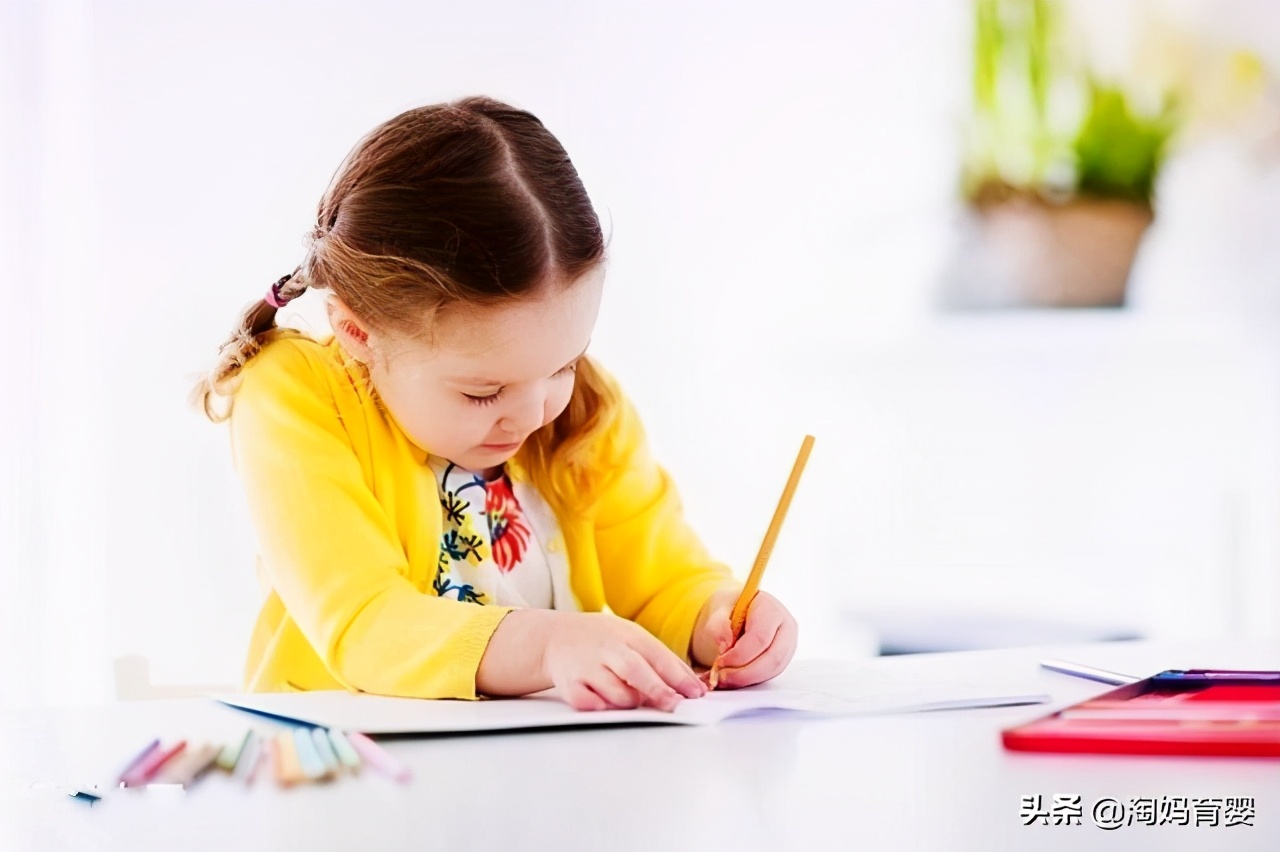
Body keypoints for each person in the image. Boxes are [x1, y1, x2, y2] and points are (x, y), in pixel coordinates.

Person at [192, 96, 797, 711]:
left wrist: (716, 616)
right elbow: (364, 620)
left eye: (564, 365)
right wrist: (548, 645)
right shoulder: (296, 392)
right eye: (483, 392)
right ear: (358, 334)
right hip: (348, 756)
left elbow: (662, 577)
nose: (534, 415)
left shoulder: (585, 407)